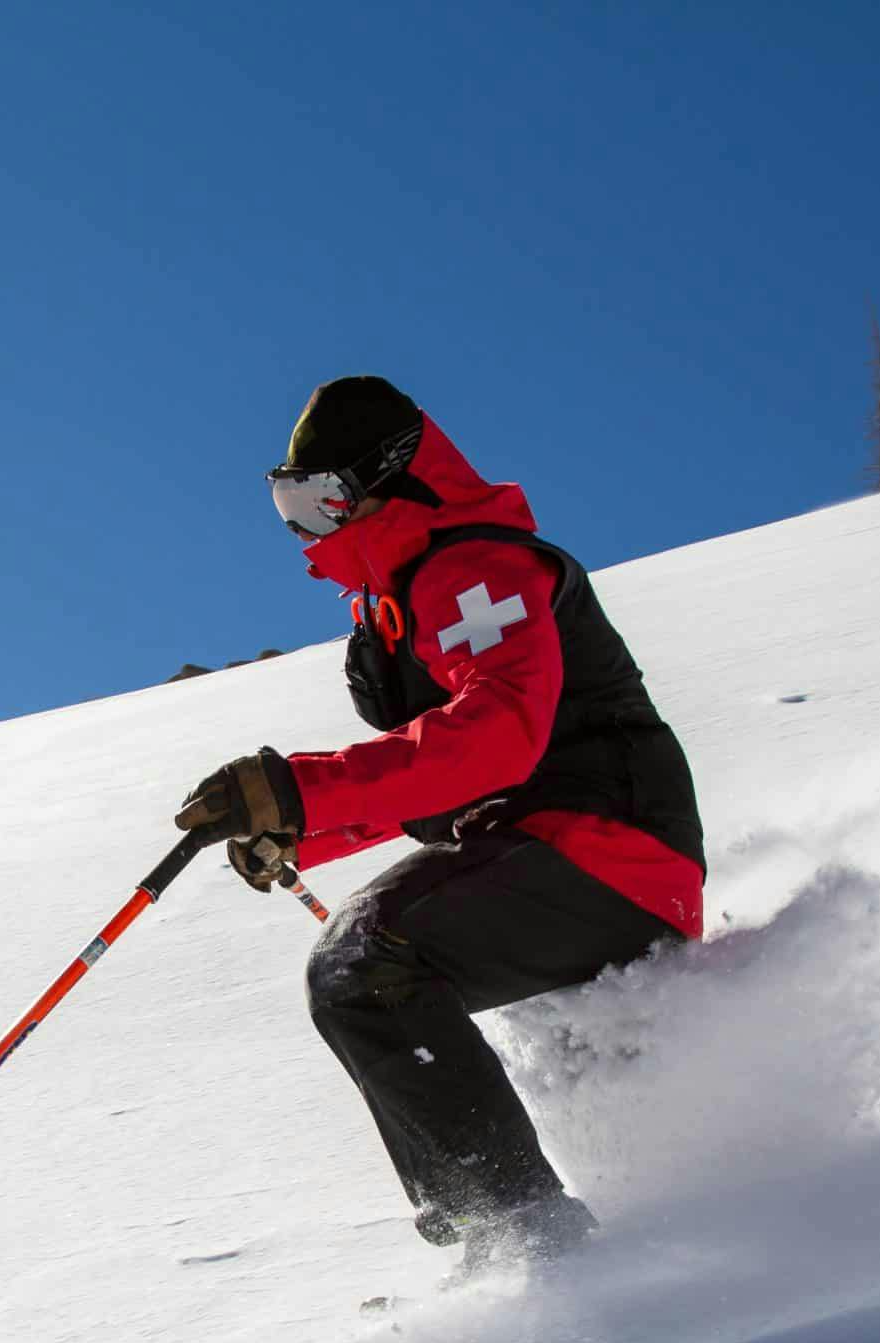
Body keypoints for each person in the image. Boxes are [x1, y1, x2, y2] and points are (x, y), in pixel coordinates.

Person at [174, 376, 707, 1273]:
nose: (309, 527)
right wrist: (303, 831)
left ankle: (525, 1240)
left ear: (391, 477)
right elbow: (434, 782)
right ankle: (496, 1240)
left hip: (610, 846)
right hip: (536, 855)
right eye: (288, 503)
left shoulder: (476, 569)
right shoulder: (394, 611)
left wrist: (300, 789)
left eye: (323, 498)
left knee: (362, 966)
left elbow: (496, 737)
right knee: (355, 971)